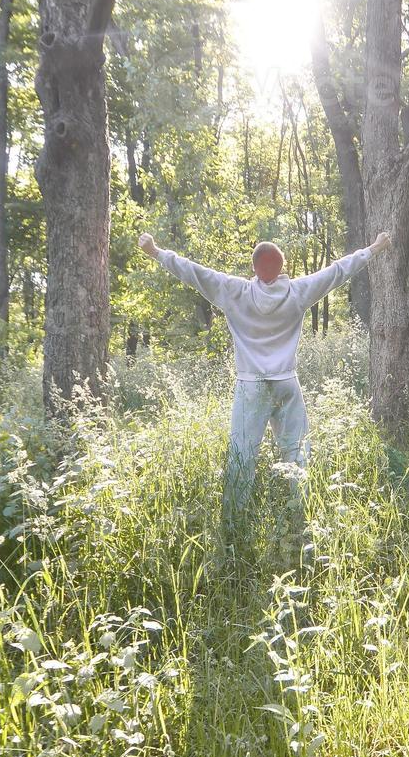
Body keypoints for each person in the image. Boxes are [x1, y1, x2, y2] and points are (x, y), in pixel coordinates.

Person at [138, 230, 391, 552]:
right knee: (297, 452)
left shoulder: (234, 291)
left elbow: (194, 272)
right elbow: (337, 271)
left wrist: (156, 252)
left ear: (254, 267)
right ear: (282, 266)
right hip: (287, 382)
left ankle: (233, 525)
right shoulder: (297, 292)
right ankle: (303, 519)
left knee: (243, 454)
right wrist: (374, 248)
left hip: (252, 385)